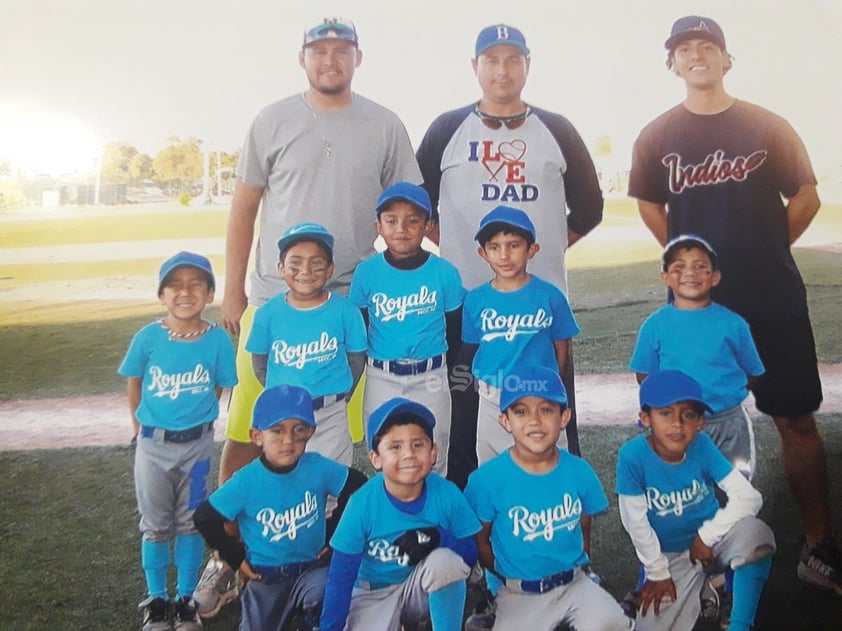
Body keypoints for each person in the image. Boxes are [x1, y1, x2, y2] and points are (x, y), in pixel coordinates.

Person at [200, 16, 422, 615]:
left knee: (340, 432)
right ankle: (226, 555)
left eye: (341, 49)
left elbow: (406, 211)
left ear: (358, 57)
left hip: (348, 299)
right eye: (319, 50)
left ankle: (333, 549)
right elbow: (243, 208)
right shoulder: (272, 119)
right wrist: (234, 291)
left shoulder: (384, 123)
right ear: (302, 58)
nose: (330, 59)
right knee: (252, 426)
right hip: (275, 296)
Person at [627, 14, 841, 593]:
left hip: (771, 296)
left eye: (707, 46)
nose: (696, 55)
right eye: (684, 49)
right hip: (696, 310)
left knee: (795, 418)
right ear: (672, 63)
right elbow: (649, 205)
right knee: (691, 425)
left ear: (726, 60)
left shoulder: (765, 125)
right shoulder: (658, 135)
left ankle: (818, 544)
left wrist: (767, 248)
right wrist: (687, 267)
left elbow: (807, 196)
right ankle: (706, 545)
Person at [416, 23, 602, 481]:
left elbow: (590, 208)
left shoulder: (556, 128)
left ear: (528, 65)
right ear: (475, 66)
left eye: (513, 59)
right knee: (466, 420)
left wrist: (532, 255)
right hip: (464, 302)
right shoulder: (446, 128)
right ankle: (468, 523)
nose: (502, 70)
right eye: (492, 60)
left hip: (539, 305)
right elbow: (417, 206)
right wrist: (471, 254)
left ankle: (551, 515)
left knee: (546, 417)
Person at [118, 251, 237, 631]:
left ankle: (185, 599)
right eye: (175, 286)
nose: (185, 293)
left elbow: (219, 386)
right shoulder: (148, 337)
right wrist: (141, 430)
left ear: (209, 293)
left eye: (196, 285)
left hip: (197, 446)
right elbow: (134, 382)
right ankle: (157, 599)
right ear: (162, 295)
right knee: (155, 524)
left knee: (189, 523)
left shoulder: (217, 339)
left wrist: (197, 421)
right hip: (154, 446)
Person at [464, 365, 633, 631]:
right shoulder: (486, 480)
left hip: (574, 583)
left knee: (613, 623)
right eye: (521, 411)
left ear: (564, 417)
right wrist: (502, 575)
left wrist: (581, 569)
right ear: (505, 420)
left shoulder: (578, 471)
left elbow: (584, 525)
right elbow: (480, 539)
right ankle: (494, 606)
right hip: (520, 591)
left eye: (546, 410)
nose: (534, 421)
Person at [193, 384, 367, 631]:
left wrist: (334, 533)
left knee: (331, 597)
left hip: (313, 570)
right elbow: (205, 518)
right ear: (257, 436)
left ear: (311, 432)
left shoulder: (317, 467)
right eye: (277, 430)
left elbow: (359, 486)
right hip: (265, 577)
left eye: (299, 430)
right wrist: (235, 556)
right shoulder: (246, 480)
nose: (289, 440)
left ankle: (310, 621)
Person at [616, 370, 776, 631]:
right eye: (665, 413)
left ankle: (740, 624)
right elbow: (635, 523)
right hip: (670, 555)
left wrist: (706, 536)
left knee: (756, 534)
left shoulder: (700, 445)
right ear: (645, 418)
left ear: (700, 421)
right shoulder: (632, 457)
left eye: (688, 414)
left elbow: (749, 497)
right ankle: (712, 584)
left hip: (713, 542)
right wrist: (657, 571)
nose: (677, 424)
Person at [319, 398, 481, 631]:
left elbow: (469, 554)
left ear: (433, 453)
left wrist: (438, 538)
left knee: (445, 561)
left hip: (421, 588)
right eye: (395, 447)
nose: (408, 454)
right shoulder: (363, 503)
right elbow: (341, 576)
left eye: (418, 445)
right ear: (375, 458)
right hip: (373, 593)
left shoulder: (446, 494)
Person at [349, 181, 465, 475]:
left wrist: (449, 374)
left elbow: (455, 331)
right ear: (378, 225)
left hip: (430, 375)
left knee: (433, 454)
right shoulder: (367, 272)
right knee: (384, 450)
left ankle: (431, 520)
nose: (401, 228)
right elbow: (359, 330)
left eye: (413, 220)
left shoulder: (444, 272)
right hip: (382, 375)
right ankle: (393, 519)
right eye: (391, 220)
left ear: (428, 225)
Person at [630, 234, 765, 479]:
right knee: (684, 488)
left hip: (728, 423)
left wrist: (724, 396)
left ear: (715, 277)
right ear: (666, 277)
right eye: (679, 268)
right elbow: (645, 376)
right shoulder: (655, 325)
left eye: (700, 267)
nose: (690, 274)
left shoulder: (733, 324)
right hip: (678, 424)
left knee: (734, 488)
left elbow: (752, 372)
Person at [459, 206, 579, 464]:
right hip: (493, 398)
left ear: (532, 249)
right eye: (494, 247)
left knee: (549, 465)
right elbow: (473, 351)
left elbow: (562, 349)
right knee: (494, 470)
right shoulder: (476, 299)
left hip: (541, 395)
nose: (504, 255)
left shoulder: (550, 295)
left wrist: (550, 387)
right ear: (483, 253)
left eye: (514, 245)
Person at [246, 222, 367, 466]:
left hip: (330, 413)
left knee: (334, 480)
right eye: (295, 263)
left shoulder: (345, 311)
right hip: (285, 417)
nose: (306, 270)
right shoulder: (268, 313)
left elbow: (356, 360)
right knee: (288, 479)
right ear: (281, 268)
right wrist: (283, 395)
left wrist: (341, 394)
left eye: (317, 263)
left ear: (330, 269)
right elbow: (260, 363)